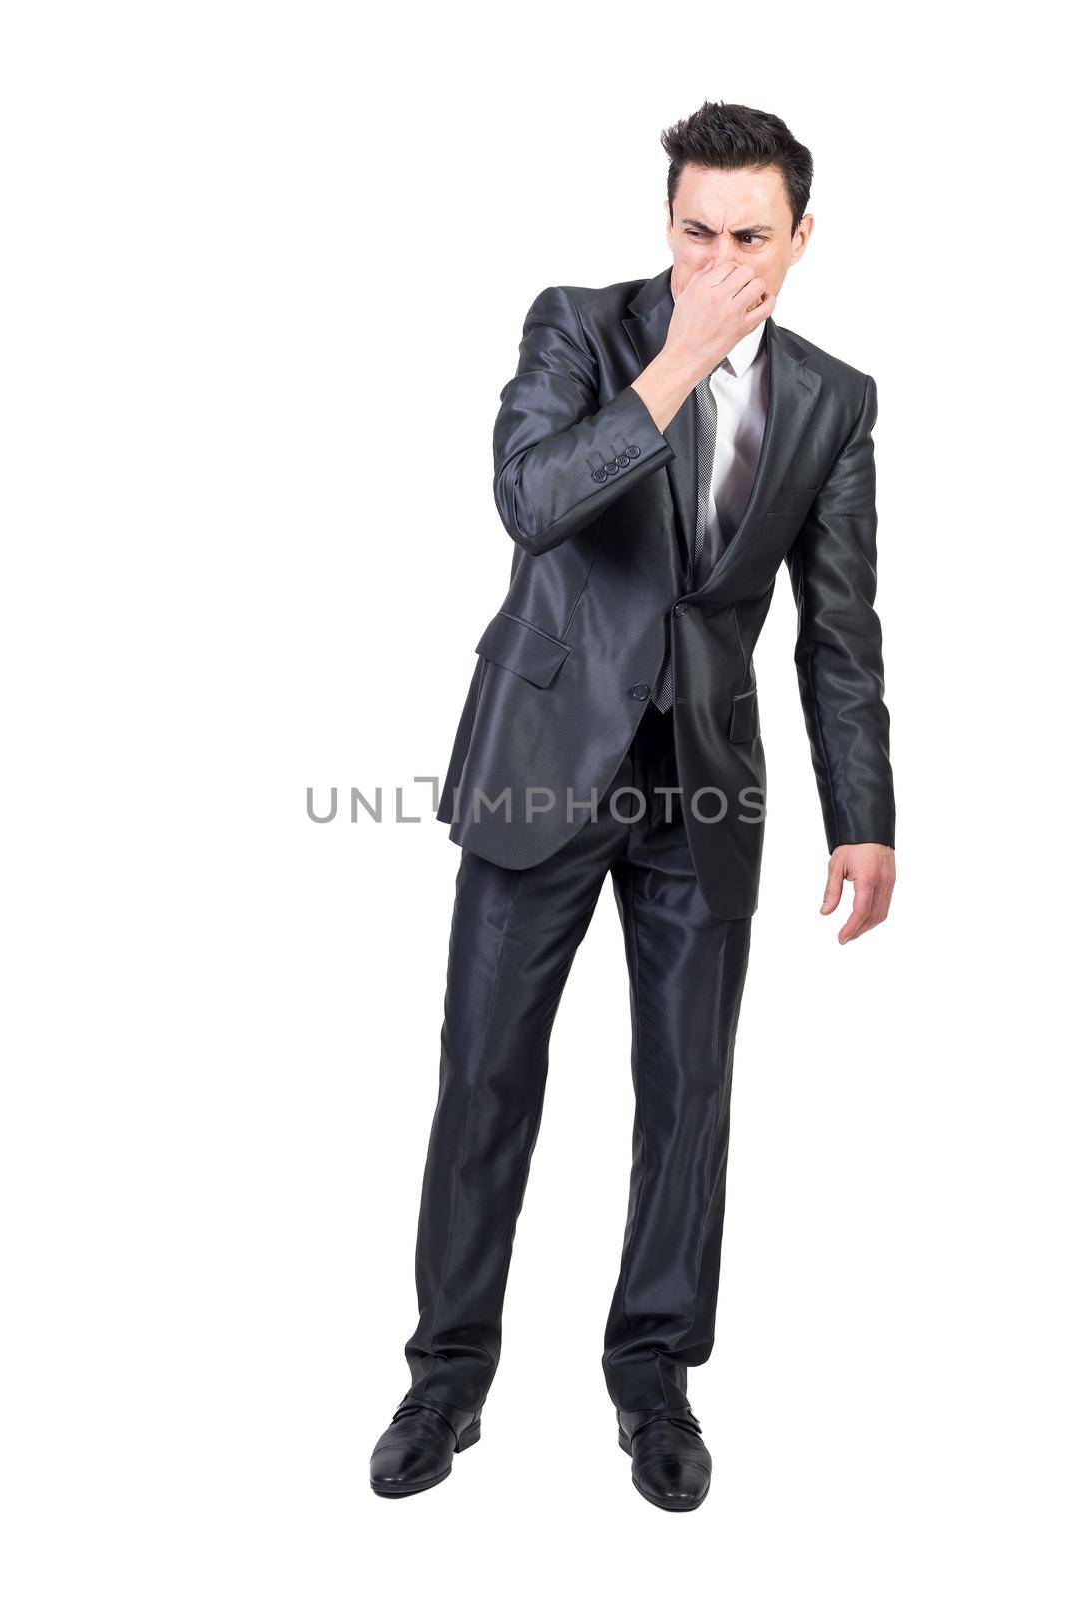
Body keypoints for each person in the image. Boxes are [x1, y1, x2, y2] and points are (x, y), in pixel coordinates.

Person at [369, 100, 896, 1511]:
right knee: (485, 1078)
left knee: (688, 1098)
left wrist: (866, 813)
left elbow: (836, 631)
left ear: (802, 238)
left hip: (705, 780)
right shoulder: (579, 328)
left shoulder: (836, 400)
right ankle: (447, 1375)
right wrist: (673, 366)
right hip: (543, 754)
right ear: (666, 224)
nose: (724, 261)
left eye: (753, 238)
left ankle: (655, 1377)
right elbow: (532, 500)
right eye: (697, 232)